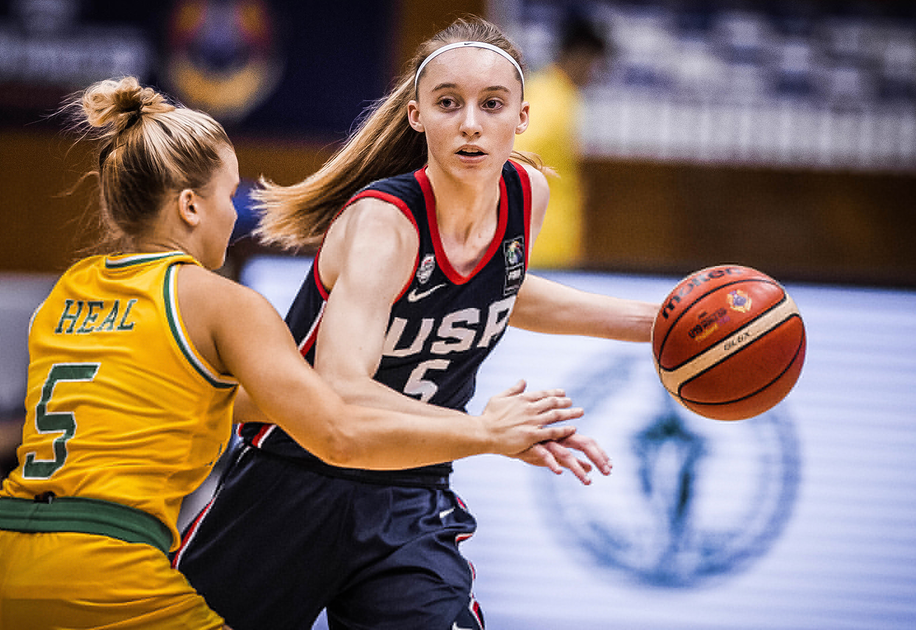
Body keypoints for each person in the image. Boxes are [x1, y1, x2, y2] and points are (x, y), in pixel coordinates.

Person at [0, 76, 588, 630]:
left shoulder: (64, 296)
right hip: (99, 571)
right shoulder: (222, 303)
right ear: (190, 206)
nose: (234, 215)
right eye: (228, 196)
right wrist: (487, 432)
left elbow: (208, 402)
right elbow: (336, 432)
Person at [175, 15, 658, 630]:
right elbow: (342, 390)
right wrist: (485, 431)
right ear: (417, 115)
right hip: (293, 479)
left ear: (521, 117)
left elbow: (500, 289)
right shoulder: (384, 222)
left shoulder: (526, 194)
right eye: (449, 103)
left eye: (491, 104)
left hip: (411, 488)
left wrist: (655, 323)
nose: (471, 123)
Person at [513, 11, 608, 269]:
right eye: (595, 64)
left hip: (549, 240)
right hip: (541, 244)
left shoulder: (558, 94)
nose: (595, 75)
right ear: (580, 56)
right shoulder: (551, 98)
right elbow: (515, 157)